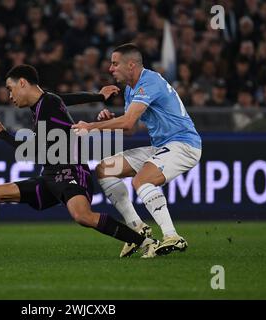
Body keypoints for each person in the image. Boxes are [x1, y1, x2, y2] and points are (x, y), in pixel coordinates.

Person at [0, 64, 160, 258]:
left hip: (71, 172)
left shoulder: (47, 106)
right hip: (50, 176)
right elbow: (65, 99)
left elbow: (34, 149)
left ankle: (144, 242)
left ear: (23, 83)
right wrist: (98, 96)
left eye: (10, 89)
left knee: (83, 216)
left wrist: (3, 135)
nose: (9, 95)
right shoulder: (46, 102)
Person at [72, 43, 202, 257]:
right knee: (105, 169)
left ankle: (172, 236)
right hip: (162, 146)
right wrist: (112, 120)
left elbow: (128, 121)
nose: (110, 69)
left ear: (131, 65)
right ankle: (137, 228)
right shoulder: (131, 90)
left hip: (183, 144)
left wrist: (91, 127)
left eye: (115, 64)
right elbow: (129, 129)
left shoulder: (149, 81)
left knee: (141, 180)